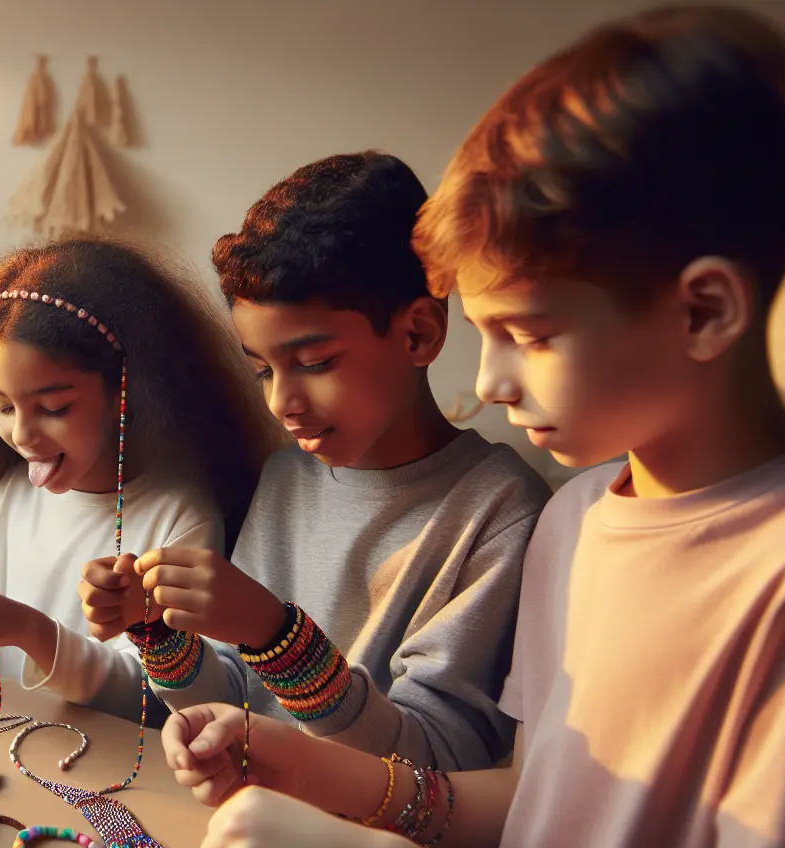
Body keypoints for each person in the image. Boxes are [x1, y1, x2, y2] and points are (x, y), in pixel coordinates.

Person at [172, 9, 785, 848]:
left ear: (705, 311)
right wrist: (306, 763)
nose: (491, 381)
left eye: (527, 334)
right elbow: (534, 803)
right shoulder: (580, 514)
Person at [80, 152, 548, 769]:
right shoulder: (286, 478)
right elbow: (235, 703)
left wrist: (278, 636)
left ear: (418, 335)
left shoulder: (500, 509)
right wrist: (159, 633)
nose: (283, 402)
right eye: (262, 370)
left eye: (316, 363)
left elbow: (439, 762)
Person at [0, 239, 273, 720]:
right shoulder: (16, 492)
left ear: (127, 389)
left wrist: (33, 633)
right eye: (3, 406)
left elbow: (160, 703)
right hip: (8, 746)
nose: (23, 434)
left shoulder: (179, 516)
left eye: (53, 408)